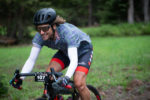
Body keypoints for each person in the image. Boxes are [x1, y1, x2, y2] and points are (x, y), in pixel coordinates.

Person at [12, 8, 93, 100]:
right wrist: (21, 77)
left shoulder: (67, 33)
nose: (42, 32)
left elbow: (74, 60)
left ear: (54, 26)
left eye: (45, 28)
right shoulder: (40, 36)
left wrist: (66, 77)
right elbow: (31, 59)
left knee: (79, 83)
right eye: (39, 29)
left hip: (83, 51)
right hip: (65, 51)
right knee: (48, 76)